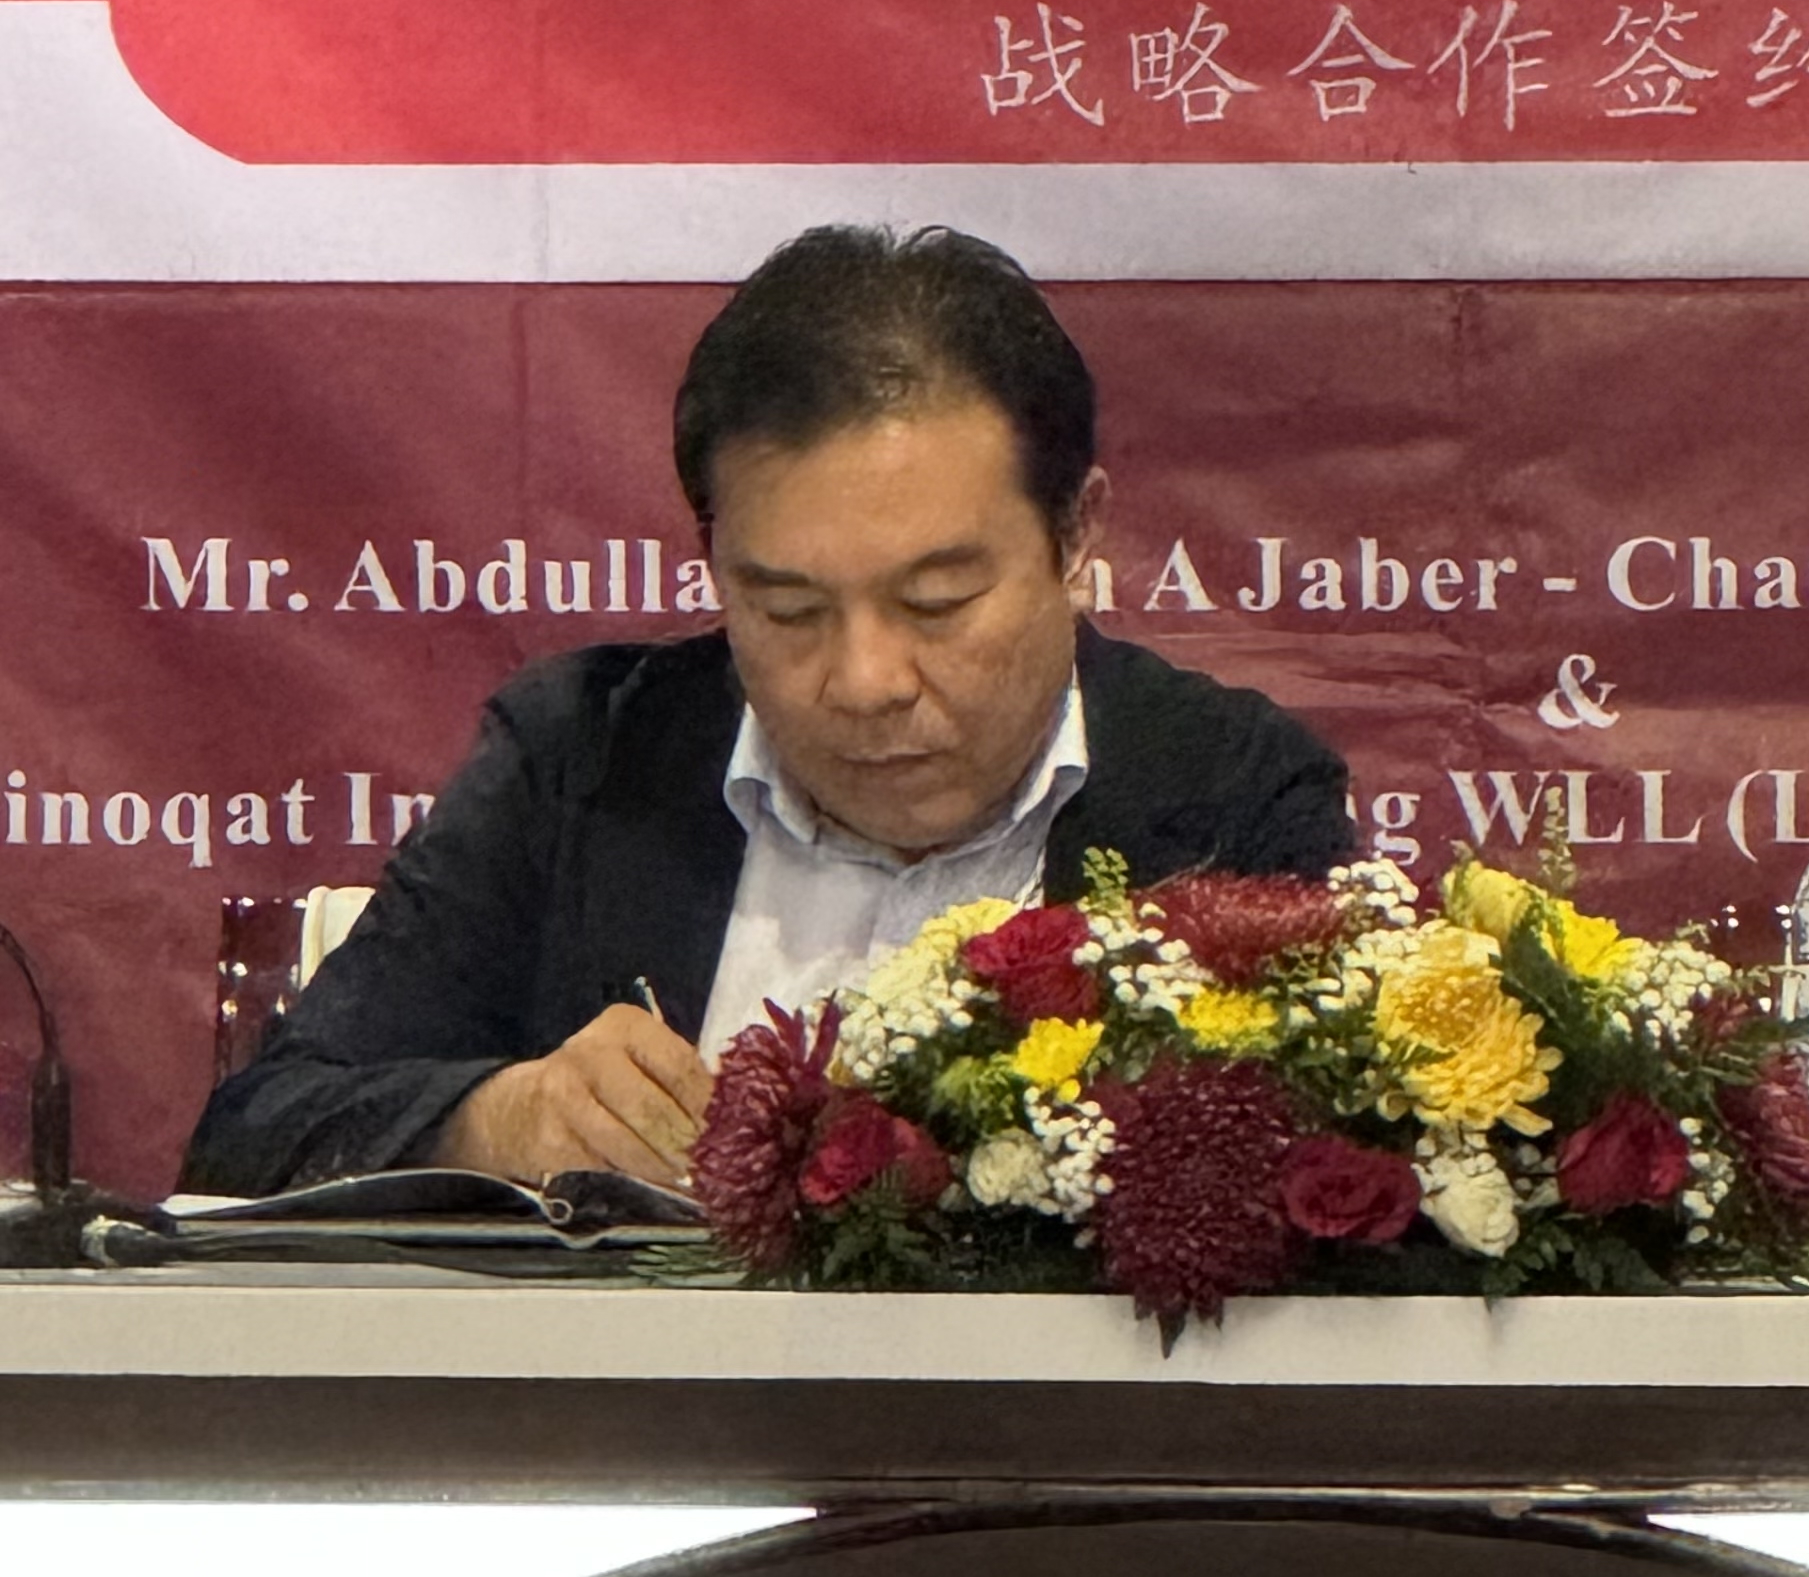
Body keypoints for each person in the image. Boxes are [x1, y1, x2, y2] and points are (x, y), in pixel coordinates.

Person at [184, 227, 1355, 1195]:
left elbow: (1341, 1195)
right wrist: (493, 1121)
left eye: (937, 602)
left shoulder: (1230, 796)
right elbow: (251, 1138)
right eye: (788, 609)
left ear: (1077, 535)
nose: (865, 681)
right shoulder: (585, 760)